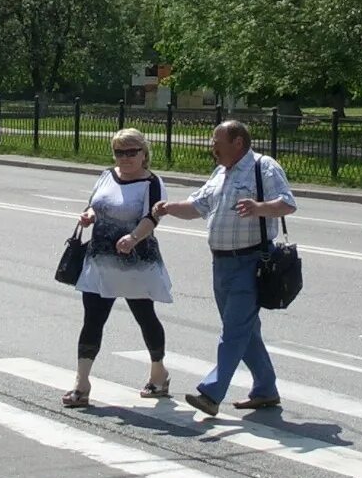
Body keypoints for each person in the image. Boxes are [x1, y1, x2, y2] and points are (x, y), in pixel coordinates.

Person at [153, 119, 297, 417]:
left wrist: (259, 207)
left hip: (251, 262)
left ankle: (211, 393)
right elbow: (197, 207)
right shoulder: (221, 173)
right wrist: (167, 208)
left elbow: (287, 203)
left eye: (217, 142)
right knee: (245, 331)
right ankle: (266, 389)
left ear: (238, 143)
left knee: (234, 330)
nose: (212, 147)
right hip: (221, 263)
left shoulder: (263, 166)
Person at [61, 128, 173, 408]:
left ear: (144, 153)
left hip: (136, 262)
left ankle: (158, 372)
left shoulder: (152, 183)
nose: (125, 158)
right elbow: (95, 205)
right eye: (119, 152)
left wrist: (134, 237)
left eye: (131, 152)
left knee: (145, 317)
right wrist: (89, 215)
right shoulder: (106, 176)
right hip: (100, 261)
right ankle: (81, 383)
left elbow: (152, 217)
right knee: (92, 320)